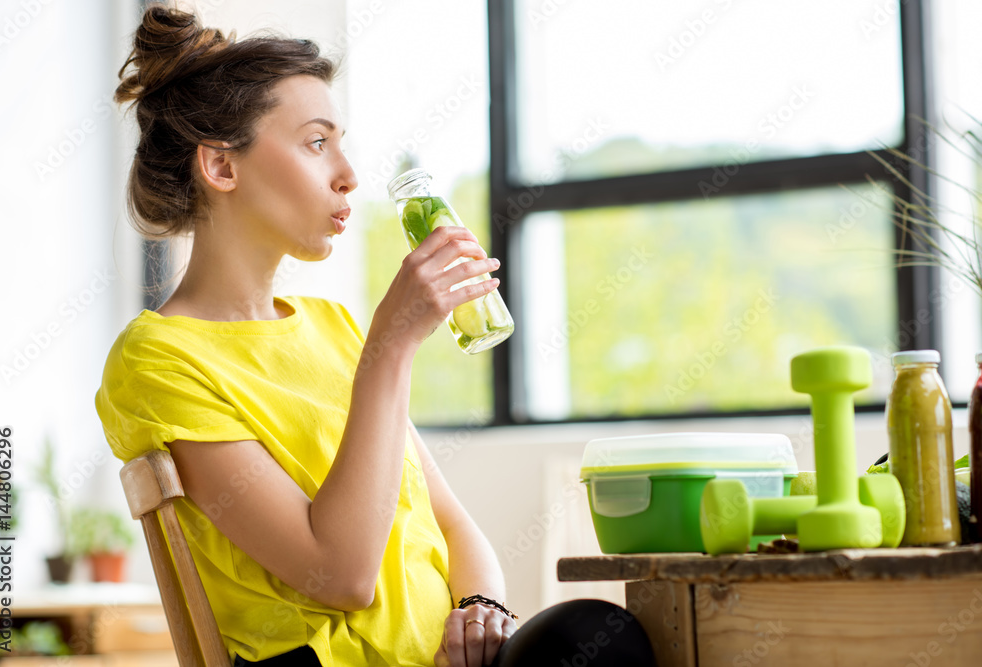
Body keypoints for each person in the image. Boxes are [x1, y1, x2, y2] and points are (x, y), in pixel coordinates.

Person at [95, 4, 656, 667]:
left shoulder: (332, 327)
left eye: (341, 141)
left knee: (604, 631)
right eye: (315, 142)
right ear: (221, 167)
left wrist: (481, 610)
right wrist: (392, 344)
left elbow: (451, 523)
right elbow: (340, 575)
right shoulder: (158, 359)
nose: (349, 174)